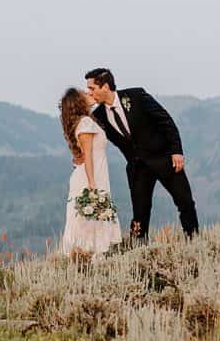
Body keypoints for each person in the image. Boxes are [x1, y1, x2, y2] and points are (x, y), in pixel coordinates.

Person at [85, 67, 199, 243]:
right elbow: (84, 135)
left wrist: (177, 151)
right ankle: (138, 249)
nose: (89, 92)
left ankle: (193, 240)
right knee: (140, 213)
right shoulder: (98, 115)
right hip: (137, 169)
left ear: (105, 87)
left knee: (185, 202)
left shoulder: (136, 96)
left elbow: (165, 120)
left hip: (164, 159)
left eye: (92, 88)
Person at [57, 87, 123, 257]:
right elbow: (88, 156)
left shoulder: (85, 121)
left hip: (94, 173)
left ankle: (90, 258)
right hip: (90, 177)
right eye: (85, 94)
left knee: (92, 221)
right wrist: (93, 184)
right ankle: (85, 257)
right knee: (87, 221)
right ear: (79, 101)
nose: (89, 94)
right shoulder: (85, 123)